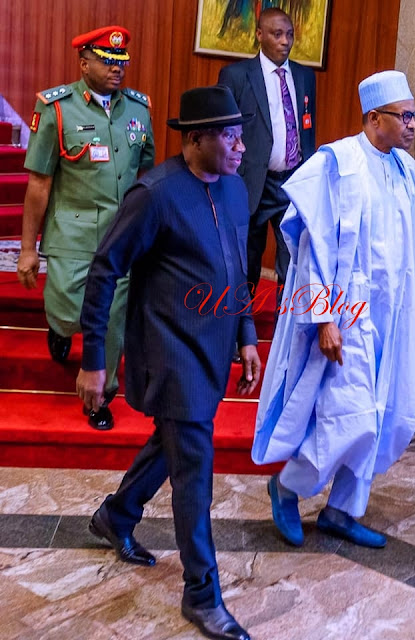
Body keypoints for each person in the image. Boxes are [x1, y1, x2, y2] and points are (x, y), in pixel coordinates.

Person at [76, 85, 261, 640]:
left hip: (213, 343)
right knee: (195, 469)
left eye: (241, 136)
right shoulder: (154, 194)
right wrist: (93, 359)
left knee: (176, 443)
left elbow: (236, 270)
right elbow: (105, 270)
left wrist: (247, 334)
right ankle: (202, 594)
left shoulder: (231, 190)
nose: (240, 148)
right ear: (197, 136)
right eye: (229, 136)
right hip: (170, 349)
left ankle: (117, 514)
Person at [252, 70, 415, 549]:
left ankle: (342, 510)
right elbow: (311, 249)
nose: (414, 125)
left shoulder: (410, 175)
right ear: (375, 118)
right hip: (348, 312)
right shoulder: (336, 163)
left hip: (394, 315)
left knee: (390, 415)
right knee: (348, 415)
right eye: (406, 116)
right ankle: (286, 486)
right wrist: (324, 318)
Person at [17, 25, 155, 430]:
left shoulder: (138, 109)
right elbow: (39, 183)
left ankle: (101, 394)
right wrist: (28, 248)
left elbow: (146, 173)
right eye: (108, 61)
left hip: (122, 236)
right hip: (72, 234)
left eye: (121, 62)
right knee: (65, 312)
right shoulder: (57, 109)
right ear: (84, 63)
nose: (117, 69)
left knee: (113, 318)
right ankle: (59, 331)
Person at [218, 7, 315, 313]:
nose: (285, 41)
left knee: (294, 259)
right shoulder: (236, 76)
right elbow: (224, 131)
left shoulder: (304, 75)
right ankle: (239, 330)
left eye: (289, 34)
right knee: (247, 257)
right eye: (277, 34)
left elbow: (307, 127)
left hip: (292, 183)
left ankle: (286, 336)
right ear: (259, 35)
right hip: (250, 182)